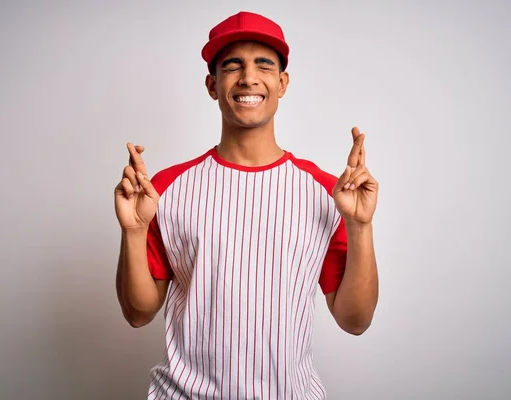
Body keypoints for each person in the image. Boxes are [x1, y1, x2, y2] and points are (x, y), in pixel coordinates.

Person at [114, 11, 379, 399]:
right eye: (232, 65)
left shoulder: (327, 192)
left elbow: (354, 321)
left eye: (264, 65)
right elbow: (138, 314)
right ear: (212, 84)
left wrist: (359, 226)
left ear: (282, 83)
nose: (249, 77)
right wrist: (133, 231)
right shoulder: (165, 189)